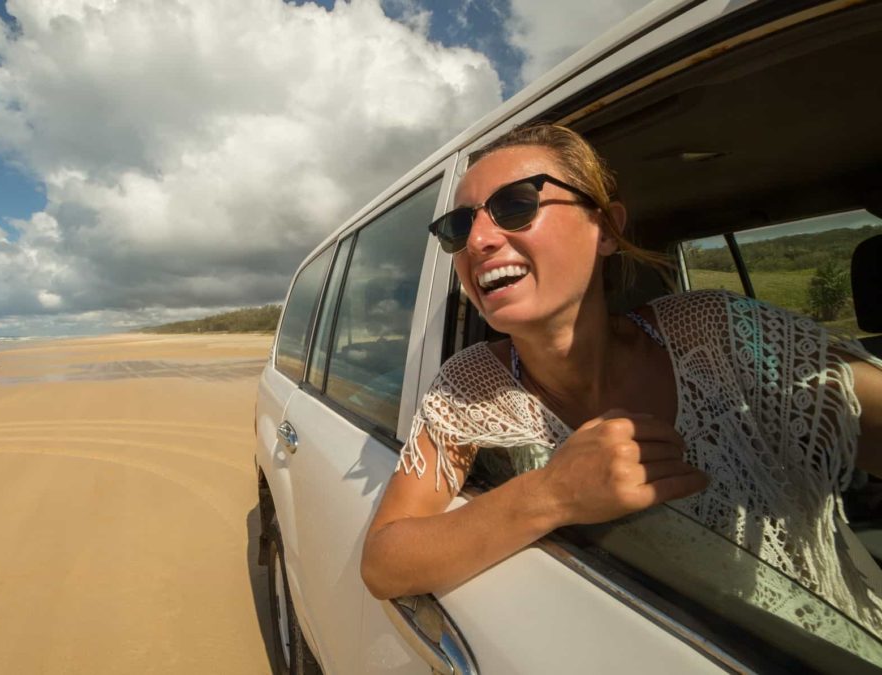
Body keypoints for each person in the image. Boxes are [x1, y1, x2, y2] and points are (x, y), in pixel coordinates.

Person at [360, 124, 882, 637]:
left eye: (516, 205)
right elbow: (385, 561)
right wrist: (550, 494)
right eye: (457, 227)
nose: (476, 241)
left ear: (606, 229)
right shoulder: (469, 385)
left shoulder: (714, 330)